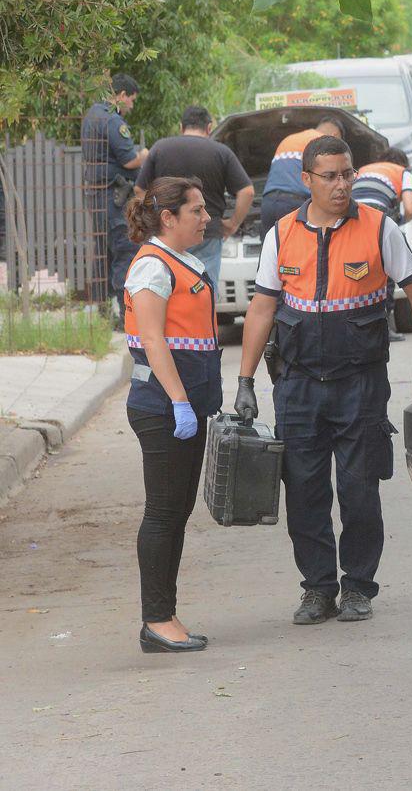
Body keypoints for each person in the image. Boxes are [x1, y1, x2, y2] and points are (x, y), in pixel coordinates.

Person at [235, 135, 412, 626]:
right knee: (304, 490)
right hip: (298, 385)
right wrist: (243, 382)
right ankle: (318, 588)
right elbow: (262, 308)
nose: (342, 185)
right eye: (331, 176)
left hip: (360, 383)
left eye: (347, 174)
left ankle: (359, 586)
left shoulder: (379, 228)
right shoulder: (281, 233)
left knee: (359, 488)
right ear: (307, 181)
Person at [121, 176, 221, 653]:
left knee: (176, 511)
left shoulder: (179, 262)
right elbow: (153, 339)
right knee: (163, 513)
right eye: (197, 211)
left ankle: (166, 615)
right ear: (169, 218)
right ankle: (157, 620)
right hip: (163, 408)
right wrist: (180, 401)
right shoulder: (151, 267)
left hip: (183, 406)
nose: (206, 218)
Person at [133, 106, 253, 287]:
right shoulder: (221, 152)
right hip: (207, 231)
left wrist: (158, 219)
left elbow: (140, 190)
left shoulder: (160, 148)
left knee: (167, 288)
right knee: (204, 290)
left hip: (169, 232)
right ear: (209, 127)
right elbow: (247, 192)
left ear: (181, 127)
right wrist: (232, 224)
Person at [82, 73, 150, 321]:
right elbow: (129, 160)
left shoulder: (92, 115)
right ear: (121, 96)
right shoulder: (112, 120)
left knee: (103, 253)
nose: (131, 105)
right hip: (114, 198)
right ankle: (124, 315)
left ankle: (101, 312)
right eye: (131, 99)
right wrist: (144, 154)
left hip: (97, 196)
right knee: (124, 250)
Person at [351, 147, 412, 342]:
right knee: (386, 268)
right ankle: (384, 328)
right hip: (378, 211)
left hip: (351, 211)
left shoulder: (364, 168)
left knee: (353, 266)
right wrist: (398, 222)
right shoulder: (403, 172)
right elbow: (411, 207)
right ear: (403, 163)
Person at [258, 116, 344, 236]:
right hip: (294, 204)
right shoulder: (321, 143)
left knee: (272, 250)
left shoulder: (289, 139)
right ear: (335, 135)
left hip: (268, 203)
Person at [351, 147, 412, 224]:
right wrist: (400, 221)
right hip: (378, 209)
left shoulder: (363, 169)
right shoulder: (404, 172)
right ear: (405, 164)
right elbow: (410, 210)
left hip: (351, 209)